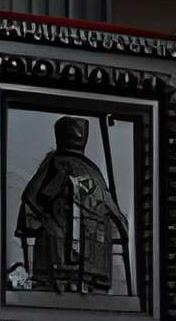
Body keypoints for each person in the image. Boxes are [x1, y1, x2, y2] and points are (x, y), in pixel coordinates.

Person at [14, 115, 127, 296]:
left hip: (56, 272)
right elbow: (121, 226)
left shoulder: (55, 165)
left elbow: (30, 208)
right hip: (93, 279)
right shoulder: (97, 177)